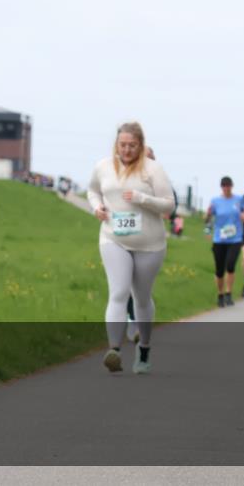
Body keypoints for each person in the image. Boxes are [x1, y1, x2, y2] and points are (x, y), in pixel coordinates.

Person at [88, 123, 175, 374]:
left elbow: (169, 205)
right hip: (113, 238)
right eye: (122, 145)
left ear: (141, 145)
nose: (126, 150)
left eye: (132, 146)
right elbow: (92, 190)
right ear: (116, 144)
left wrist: (141, 198)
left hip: (150, 244)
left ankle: (144, 347)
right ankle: (114, 350)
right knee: (118, 292)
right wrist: (96, 207)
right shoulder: (103, 166)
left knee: (141, 298)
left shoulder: (153, 169)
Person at [205, 177, 244, 307]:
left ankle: (229, 293)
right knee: (219, 270)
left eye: (228, 185)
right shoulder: (215, 201)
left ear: (232, 186)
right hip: (219, 239)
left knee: (230, 265)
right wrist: (207, 215)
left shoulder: (239, 199)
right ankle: (220, 294)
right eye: (224, 186)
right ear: (221, 187)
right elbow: (207, 219)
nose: (226, 188)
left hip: (235, 239)